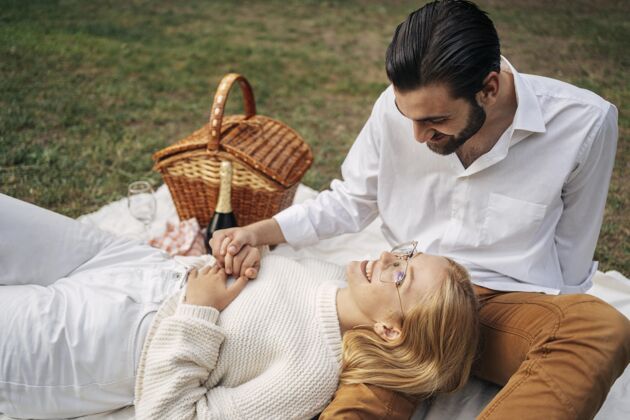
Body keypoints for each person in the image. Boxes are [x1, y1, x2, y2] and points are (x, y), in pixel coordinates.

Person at [209, 1, 630, 418]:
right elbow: (351, 199)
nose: (415, 135)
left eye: (435, 120)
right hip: (403, 300)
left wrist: (549, 325)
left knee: (601, 330)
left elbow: (572, 252)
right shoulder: (399, 108)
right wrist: (258, 232)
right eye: (405, 115)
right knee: (365, 398)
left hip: (505, 307)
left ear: (489, 88)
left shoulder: (583, 123)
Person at [0, 193, 479, 419]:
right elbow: (271, 287)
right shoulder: (334, 276)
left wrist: (197, 311)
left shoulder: (310, 375)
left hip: (110, 340)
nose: (390, 255)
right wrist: (251, 251)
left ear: (390, 330)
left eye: (402, 274)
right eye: (409, 254)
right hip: (131, 262)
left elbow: (172, 416)